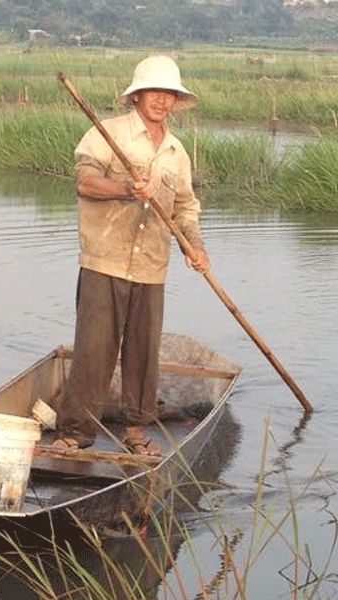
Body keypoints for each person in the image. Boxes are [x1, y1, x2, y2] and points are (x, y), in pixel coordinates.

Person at [53, 55, 210, 456]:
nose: (161, 100)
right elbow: (85, 183)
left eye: (169, 93)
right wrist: (125, 189)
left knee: (143, 353)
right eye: (154, 91)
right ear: (137, 95)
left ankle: (136, 432)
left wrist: (194, 246)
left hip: (151, 266)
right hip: (105, 259)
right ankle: (75, 431)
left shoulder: (176, 152)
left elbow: (185, 208)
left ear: (175, 100)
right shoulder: (108, 133)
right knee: (94, 349)